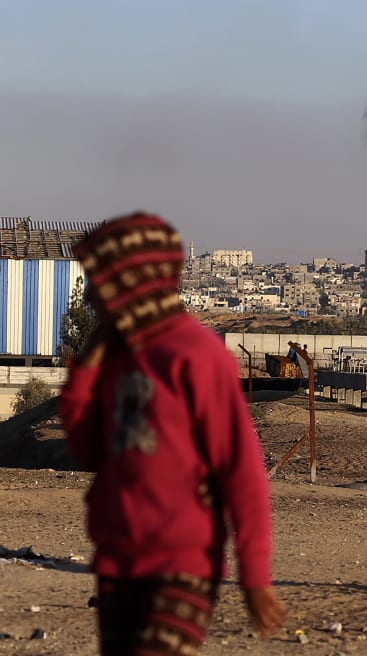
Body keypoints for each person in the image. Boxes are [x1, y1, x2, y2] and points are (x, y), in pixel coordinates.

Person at [58, 212, 286, 655]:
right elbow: (86, 450)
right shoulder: (119, 359)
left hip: (183, 564)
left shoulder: (197, 357)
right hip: (118, 561)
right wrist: (87, 368)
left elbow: (241, 474)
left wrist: (255, 577)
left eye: (98, 281)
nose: (89, 296)